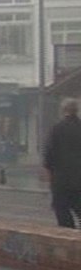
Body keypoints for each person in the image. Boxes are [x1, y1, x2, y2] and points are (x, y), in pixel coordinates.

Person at [45, 98, 81, 228]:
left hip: (61, 179)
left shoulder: (57, 129)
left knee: (62, 210)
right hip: (79, 179)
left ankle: (70, 235)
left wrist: (49, 175)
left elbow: (49, 155)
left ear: (63, 110)